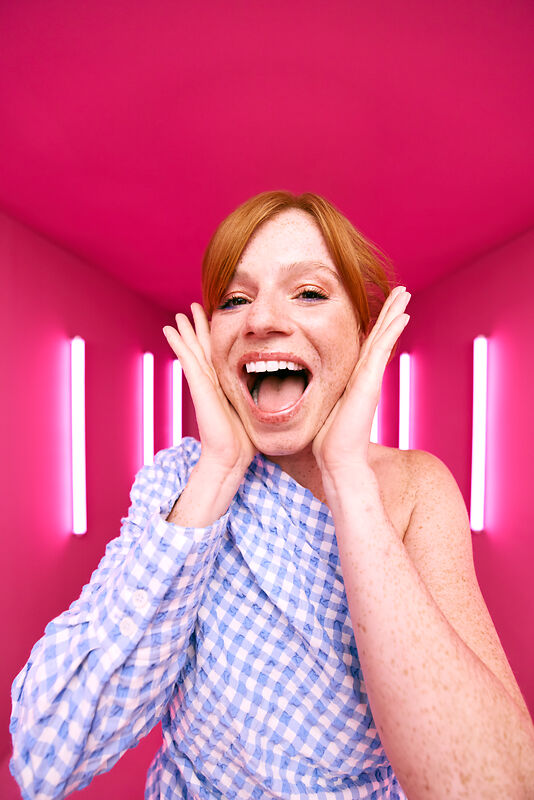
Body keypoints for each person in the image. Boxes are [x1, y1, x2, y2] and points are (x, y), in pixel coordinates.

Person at [10, 191, 534, 799]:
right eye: (235, 299)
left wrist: (345, 474)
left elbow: (493, 787)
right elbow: (47, 751)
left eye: (308, 292)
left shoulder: (418, 489)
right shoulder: (180, 480)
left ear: (362, 336)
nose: (261, 319)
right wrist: (219, 471)